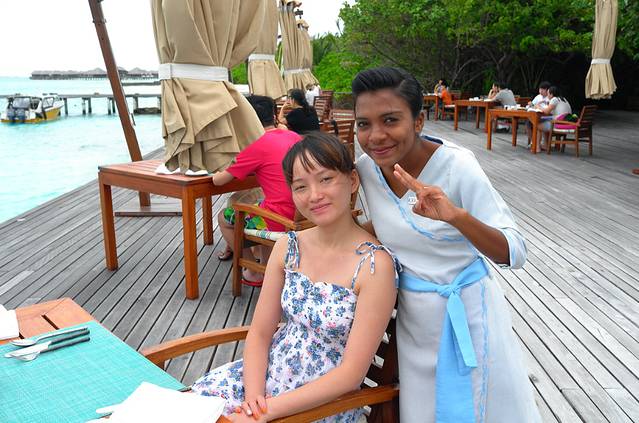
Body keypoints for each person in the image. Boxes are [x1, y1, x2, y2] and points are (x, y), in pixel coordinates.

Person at [352, 67, 541, 423]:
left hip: (470, 314)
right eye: (364, 124)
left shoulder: (456, 166)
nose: (376, 136)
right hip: (415, 322)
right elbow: (390, 222)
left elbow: (514, 250)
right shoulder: (366, 169)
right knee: (424, 410)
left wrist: (456, 217)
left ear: (418, 121)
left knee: (485, 410)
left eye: (390, 120)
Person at [192, 132, 399, 423]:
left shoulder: (374, 265)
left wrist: (265, 413)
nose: (314, 195)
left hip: (320, 403)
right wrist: (254, 399)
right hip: (262, 380)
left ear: (352, 180)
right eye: (301, 186)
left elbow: (351, 374)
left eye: (326, 179)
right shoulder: (288, 247)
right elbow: (260, 332)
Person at [211, 95, 301, 286]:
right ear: (273, 115)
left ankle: (253, 271)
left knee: (224, 217)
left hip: (280, 219)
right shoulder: (293, 136)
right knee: (260, 203)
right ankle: (266, 262)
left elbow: (218, 181)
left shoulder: (255, 144)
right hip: (304, 212)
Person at [536, 86, 572, 152]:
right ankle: (546, 145)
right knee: (544, 121)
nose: (547, 95)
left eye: (548, 93)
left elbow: (546, 112)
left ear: (552, 94)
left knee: (537, 125)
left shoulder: (554, 99)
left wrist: (538, 106)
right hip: (567, 122)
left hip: (559, 124)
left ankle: (537, 147)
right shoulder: (563, 99)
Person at [526, 81, 551, 145]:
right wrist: (530, 104)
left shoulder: (550, 97)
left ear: (548, 90)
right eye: (540, 89)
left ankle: (537, 144)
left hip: (545, 117)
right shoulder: (538, 96)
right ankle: (533, 142)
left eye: (543, 89)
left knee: (536, 123)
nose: (541, 91)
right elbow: (532, 105)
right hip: (535, 115)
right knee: (528, 123)